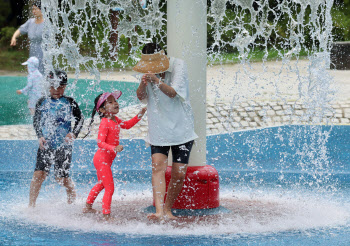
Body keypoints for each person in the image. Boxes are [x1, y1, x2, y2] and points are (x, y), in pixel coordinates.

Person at [134, 43, 198, 221]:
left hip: (182, 127)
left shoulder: (178, 65)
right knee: (157, 166)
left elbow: (172, 93)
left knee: (179, 172)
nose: (152, 68)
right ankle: (159, 211)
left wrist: (156, 80)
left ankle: (168, 209)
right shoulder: (146, 69)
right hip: (158, 127)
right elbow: (141, 97)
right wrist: (142, 84)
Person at [82, 91, 147, 220]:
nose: (115, 103)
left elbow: (127, 125)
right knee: (110, 187)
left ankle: (88, 207)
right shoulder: (105, 122)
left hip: (105, 159)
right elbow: (100, 143)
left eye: (115, 101)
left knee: (102, 184)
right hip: (101, 159)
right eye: (110, 102)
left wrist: (141, 113)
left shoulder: (115, 120)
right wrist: (114, 148)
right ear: (102, 110)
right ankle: (106, 215)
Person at [29, 69, 84, 207]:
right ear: (48, 85)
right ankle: (31, 206)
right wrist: (40, 136)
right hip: (46, 144)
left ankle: (72, 199)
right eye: (53, 86)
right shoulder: (42, 101)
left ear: (65, 86)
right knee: (38, 175)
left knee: (61, 179)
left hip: (63, 147)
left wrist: (74, 133)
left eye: (60, 86)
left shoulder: (70, 102)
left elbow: (80, 119)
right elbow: (36, 120)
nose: (56, 89)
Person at [10, 1, 45, 74]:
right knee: (32, 74)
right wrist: (14, 37)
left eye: (36, 9)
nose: (34, 11)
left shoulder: (46, 24)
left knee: (42, 74)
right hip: (32, 52)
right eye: (33, 9)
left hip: (44, 53)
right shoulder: (30, 22)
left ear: (41, 10)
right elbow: (20, 30)